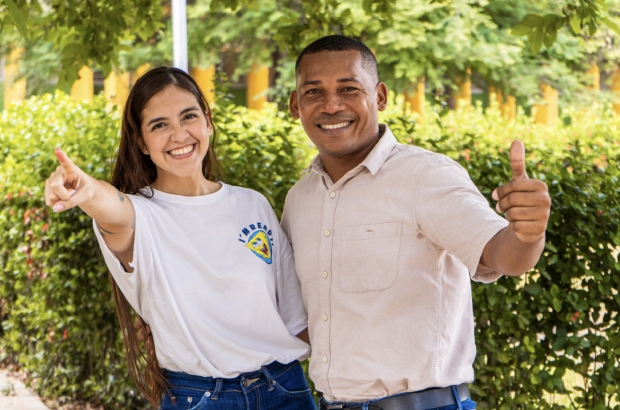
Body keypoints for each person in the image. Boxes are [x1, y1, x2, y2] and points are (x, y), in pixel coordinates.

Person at [281, 35, 552, 410]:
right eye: (313, 92)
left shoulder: (426, 176)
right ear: (296, 104)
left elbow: (501, 256)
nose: (331, 105)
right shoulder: (300, 199)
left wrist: (528, 233)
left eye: (348, 89)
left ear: (379, 97)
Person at [44, 67, 316, 410]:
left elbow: (295, 318)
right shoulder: (141, 215)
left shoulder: (252, 204)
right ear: (141, 141)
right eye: (159, 125)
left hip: (285, 390)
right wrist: (84, 189)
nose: (179, 134)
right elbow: (110, 206)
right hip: (200, 398)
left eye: (188, 117)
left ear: (207, 120)